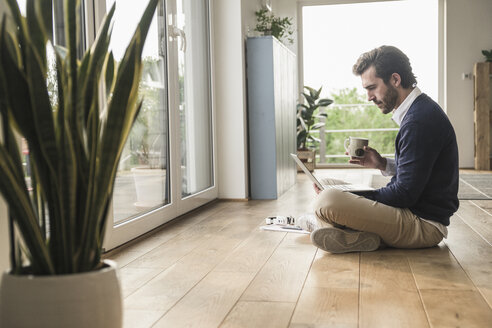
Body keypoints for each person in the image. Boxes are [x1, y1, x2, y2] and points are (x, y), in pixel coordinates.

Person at [298, 45, 459, 253]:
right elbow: (418, 173)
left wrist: (355, 198)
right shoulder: (417, 111)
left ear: (395, 79)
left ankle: (330, 225)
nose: (368, 97)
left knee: (328, 200)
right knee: (326, 184)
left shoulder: (419, 121)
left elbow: (404, 194)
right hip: (410, 212)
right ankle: (360, 237)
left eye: (372, 87)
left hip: (423, 224)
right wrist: (381, 163)